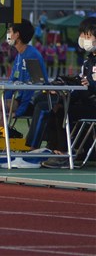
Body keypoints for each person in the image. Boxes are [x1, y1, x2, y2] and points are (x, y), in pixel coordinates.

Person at [42, 17, 96, 167]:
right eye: (82, 36)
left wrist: (91, 85)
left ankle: (64, 153)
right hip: (87, 102)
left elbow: (90, 85)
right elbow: (82, 85)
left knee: (64, 112)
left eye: (87, 36)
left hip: (93, 105)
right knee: (57, 108)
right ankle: (52, 149)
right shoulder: (88, 60)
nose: (83, 40)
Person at [0, 19, 47, 132]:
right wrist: (5, 98)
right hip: (22, 100)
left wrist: (19, 110)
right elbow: (12, 81)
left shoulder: (32, 55)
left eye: (9, 31)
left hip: (34, 101)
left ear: (17, 35)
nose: (7, 34)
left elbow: (35, 86)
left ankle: (3, 139)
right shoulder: (19, 56)